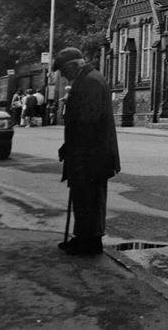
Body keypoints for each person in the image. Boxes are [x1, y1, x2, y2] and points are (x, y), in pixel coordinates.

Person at [54, 47, 120, 256]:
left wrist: (73, 147)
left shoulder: (90, 82)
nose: (64, 76)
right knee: (83, 198)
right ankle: (83, 237)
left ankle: (90, 242)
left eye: (64, 71)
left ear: (74, 66)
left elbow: (88, 122)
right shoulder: (87, 79)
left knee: (90, 199)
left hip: (91, 154)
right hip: (86, 152)